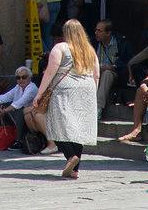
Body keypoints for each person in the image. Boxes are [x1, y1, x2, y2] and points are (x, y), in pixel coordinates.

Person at [33, 19, 100, 179]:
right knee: (78, 128)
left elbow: (50, 72)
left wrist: (39, 93)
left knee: (55, 124)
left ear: (65, 33)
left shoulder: (60, 47)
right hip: (87, 89)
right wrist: (93, 94)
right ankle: (76, 170)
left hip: (65, 89)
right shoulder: (90, 50)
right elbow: (96, 74)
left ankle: (70, 156)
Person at [0, 63, 36, 137]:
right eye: (18, 77)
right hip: (18, 115)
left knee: (19, 110)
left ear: (29, 78)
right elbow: (3, 97)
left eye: (24, 77)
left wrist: (4, 111)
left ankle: (19, 139)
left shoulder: (32, 88)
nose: (21, 79)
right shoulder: (18, 87)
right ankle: (4, 136)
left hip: (31, 115)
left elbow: (20, 103)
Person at [93, 19, 122, 112]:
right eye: (96, 30)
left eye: (99, 31)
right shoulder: (94, 43)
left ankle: (98, 108)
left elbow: (125, 63)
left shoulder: (120, 43)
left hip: (114, 74)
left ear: (108, 33)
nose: (96, 33)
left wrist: (112, 67)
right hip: (97, 71)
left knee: (107, 74)